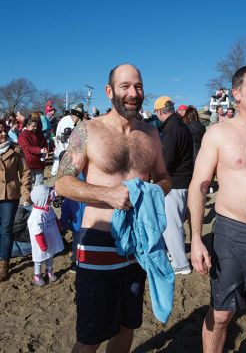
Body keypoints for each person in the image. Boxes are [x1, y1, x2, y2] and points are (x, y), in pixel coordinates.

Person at [55, 64, 171, 353]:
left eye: (138, 86)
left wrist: (149, 193)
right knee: (90, 336)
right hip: (98, 243)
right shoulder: (88, 130)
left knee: (127, 325)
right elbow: (62, 184)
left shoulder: (150, 134)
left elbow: (165, 178)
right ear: (109, 92)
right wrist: (109, 195)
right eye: (125, 86)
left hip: (138, 245)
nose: (133, 93)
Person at [188, 64, 246, 353]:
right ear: (237, 94)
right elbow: (199, 184)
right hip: (233, 235)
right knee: (222, 315)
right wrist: (196, 238)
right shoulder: (219, 134)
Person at [154, 96, 194, 275]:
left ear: (161, 111)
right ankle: (177, 255)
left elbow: (167, 160)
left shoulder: (171, 128)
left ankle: (180, 264)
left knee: (172, 225)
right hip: (183, 180)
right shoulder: (181, 125)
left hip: (174, 182)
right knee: (176, 222)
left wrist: (155, 174)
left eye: (156, 112)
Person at [0, 120, 31, 281]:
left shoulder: (16, 149)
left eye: (4, 130)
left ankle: (3, 263)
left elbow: (25, 172)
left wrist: (26, 193)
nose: (4, 134)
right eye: (0, 131)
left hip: (10, 195)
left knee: (6, 229)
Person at [27, 184, 64, 286]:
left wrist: (59, 225)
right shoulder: (36, 216)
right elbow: (37, 232)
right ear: (42, 198)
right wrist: (42, 245)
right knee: (39, 259)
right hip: (41, 243)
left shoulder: (48, 209)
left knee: (50, 255)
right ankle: (37, 275)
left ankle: (49, 271)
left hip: (50, 238)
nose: (51, 198)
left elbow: (54, 218)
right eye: (48, 196)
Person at [18, 118, 48, 186]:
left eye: (36, 126)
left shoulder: (38, 133)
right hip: (29, 162)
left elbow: (44, 143)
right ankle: (30, 196)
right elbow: (27, 147)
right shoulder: (23, 135)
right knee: (28, 184)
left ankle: (39, 195)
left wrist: (45, 150)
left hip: (39, 162)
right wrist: (40, 150)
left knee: (40, 183)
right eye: (33, 126)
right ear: (27, 126)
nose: (35, 128)